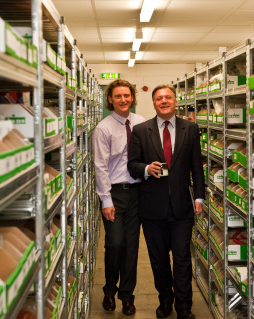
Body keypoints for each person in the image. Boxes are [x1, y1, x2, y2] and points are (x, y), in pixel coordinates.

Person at [127, 84, 205, 319]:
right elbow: (132, 165)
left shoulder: (190, 128)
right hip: (152, 208)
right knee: (158, 259)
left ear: (175, 101)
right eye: (159, 98)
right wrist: (146, 169)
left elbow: (196, 167)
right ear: (153, 103)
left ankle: (184, 306)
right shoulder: (141, 130)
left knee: (182, 258)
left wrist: (199, 197)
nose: (164, 101)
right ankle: (165, 300)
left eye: (168, 97)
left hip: (182, 206)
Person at [92, 79, 145, 316]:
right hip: (114, 193)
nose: (123, 99)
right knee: (115, 244)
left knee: (131, 248)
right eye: (118, 96)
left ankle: (127, 296)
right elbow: (100, 167)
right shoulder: (103, 128)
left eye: (127, 95)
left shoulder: (141, 123)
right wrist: (106, 200)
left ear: (132, 97)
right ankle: (109, 291)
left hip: (138, 193)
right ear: (110, 100)